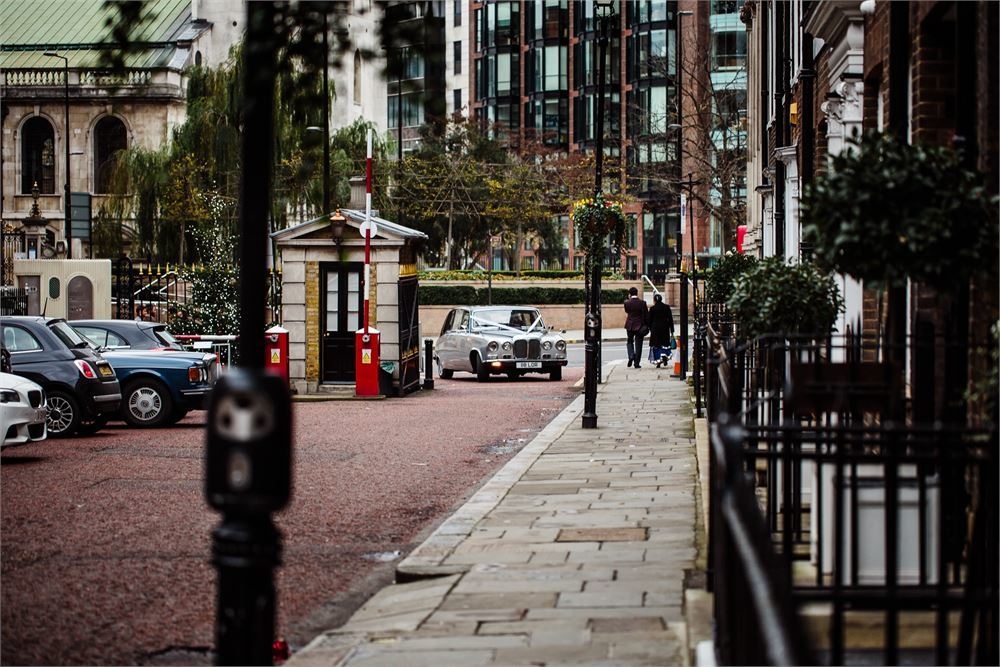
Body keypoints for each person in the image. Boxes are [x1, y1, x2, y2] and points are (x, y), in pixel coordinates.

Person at [623, 286, 649, 368]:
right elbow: (646, 315)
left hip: (629, 325)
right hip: (639, 325)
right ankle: (636, 363)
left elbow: (627, 311)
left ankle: (631, 356)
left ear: (630, 294)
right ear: (637, 293)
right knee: (639, 344)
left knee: (630, 341)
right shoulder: (642, 303)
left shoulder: (626, 303)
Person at [647, 293, 675, 368]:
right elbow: (670, 319)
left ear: (654, 300)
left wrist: (649, 327)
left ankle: (658, 362)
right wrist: (672, 329)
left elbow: (649, 320)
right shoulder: (666, 307)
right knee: (664, 343)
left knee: (656, 345)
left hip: (655, 328)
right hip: (665, 328)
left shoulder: (652, 308)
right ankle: (664, 355)